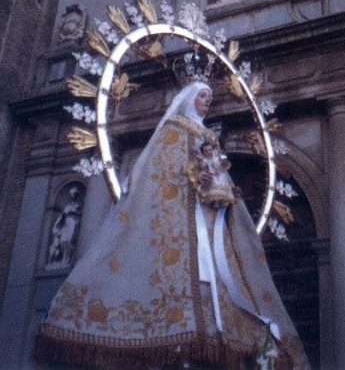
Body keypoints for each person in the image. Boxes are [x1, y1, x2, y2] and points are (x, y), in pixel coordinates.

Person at [35, 82, 310, 370]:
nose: (207, 102)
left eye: (210, 98)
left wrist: (221, 187)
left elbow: (218, 177)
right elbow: (159, 176)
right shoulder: (173, 132)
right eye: (202, 96)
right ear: (189, 99)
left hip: (210, 222)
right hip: (179, 225)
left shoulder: (208, 137)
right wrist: (195, 178)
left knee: (227, 290)